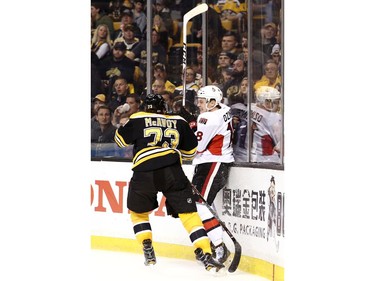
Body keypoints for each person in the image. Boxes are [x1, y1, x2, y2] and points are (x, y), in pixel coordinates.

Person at [114, 93, 224, 272]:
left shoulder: (138, 117)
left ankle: (147, 245)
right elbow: (190, 152)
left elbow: (119, 141)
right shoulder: (179, 120)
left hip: (144, 171)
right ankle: (205, 253)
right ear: (163, 107)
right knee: (189, 215)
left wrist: (122, 123)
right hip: (172, 172)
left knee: (138, 213)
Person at [192, 85, 234, 264]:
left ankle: (219, 246)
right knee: (203, 203)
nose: (199, 105)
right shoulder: (225, 110)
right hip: (218, 163)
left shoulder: (207, 117)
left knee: (199, 205)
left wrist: (190, 127)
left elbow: (198, 147)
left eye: (202, 102)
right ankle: (216, 241)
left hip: (212, 163)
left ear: (212, 102)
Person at [250, 86, 282, 164]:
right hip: (269, 160)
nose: (278, 105)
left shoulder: (250, 109)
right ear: (267, 103)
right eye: (276, 102)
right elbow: (279, 148)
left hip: (251, 157)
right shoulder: (274, 118)